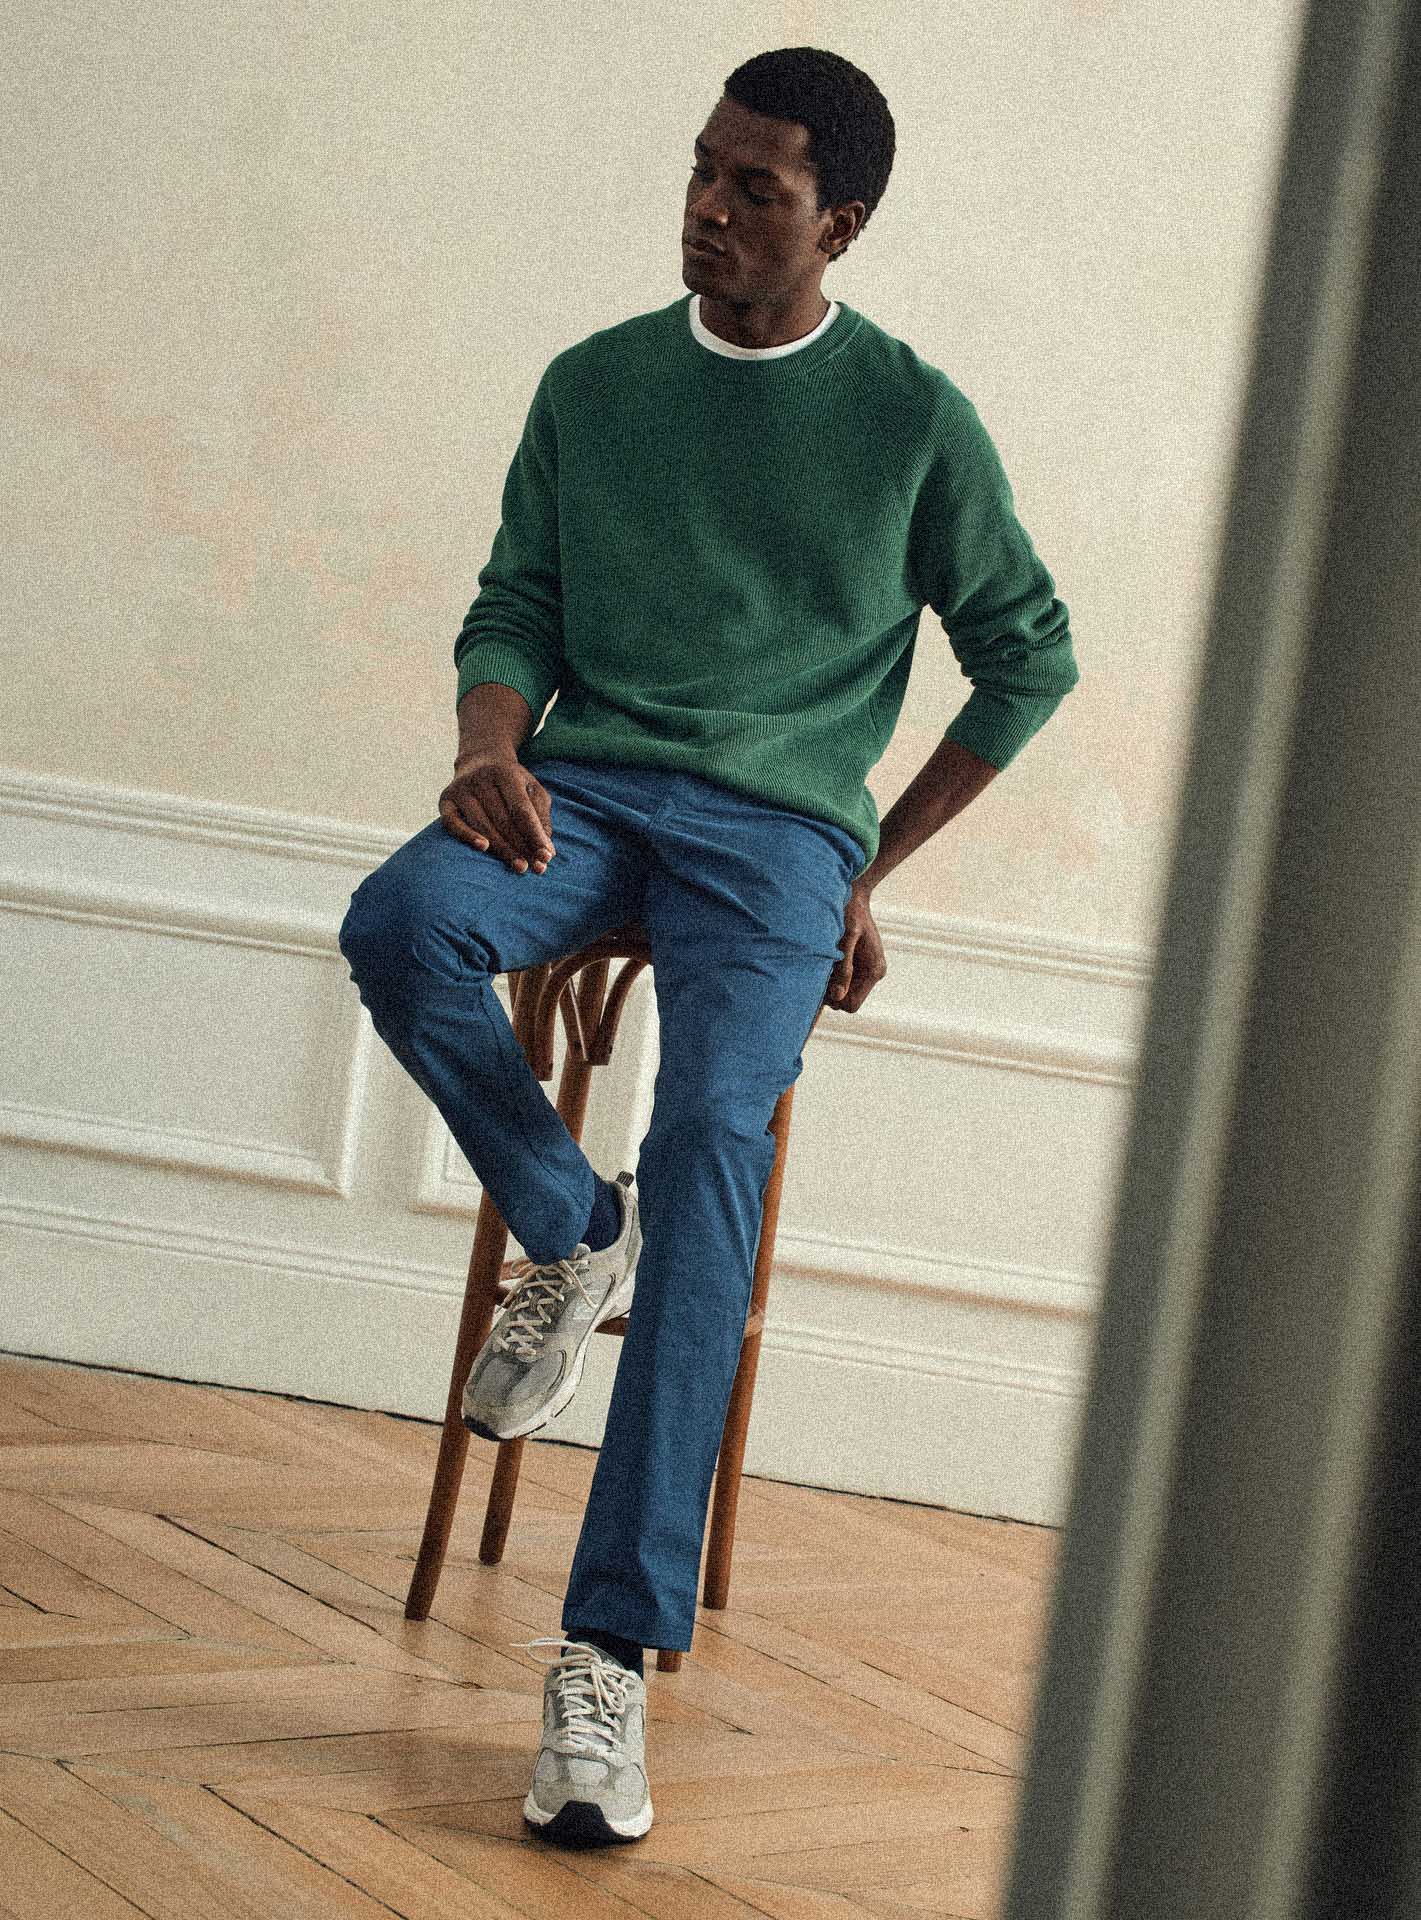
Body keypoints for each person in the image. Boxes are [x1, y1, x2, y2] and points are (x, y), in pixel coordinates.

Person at [338, 45, 1079, 1850]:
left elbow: (1028, 658)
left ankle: (605, 1658)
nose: (709, 209)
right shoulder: (595, 382)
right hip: (585, 790)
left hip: (777, 838)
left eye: (757, 188)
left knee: (708, 1140)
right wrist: (489, 745)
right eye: (701, 170)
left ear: (842, 222)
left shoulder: (911, 418)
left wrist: (864, 863)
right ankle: (566, 1224)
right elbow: (515, 601)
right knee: (403, 919)